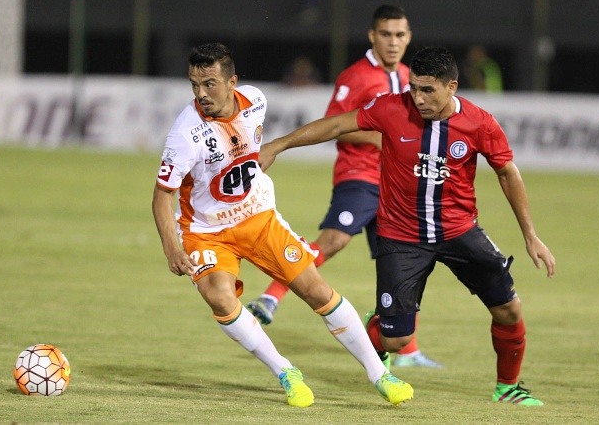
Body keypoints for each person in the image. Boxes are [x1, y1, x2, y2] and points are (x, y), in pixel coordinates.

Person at [256, 46, 556, 406]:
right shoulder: (391, 108)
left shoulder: (480, 123)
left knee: (509, 309)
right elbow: (338, 124)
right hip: (402, 237)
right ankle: (379, 327)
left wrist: (531, 235)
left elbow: (507, 172)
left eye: (428, 89)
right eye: (414, 87)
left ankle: (508, 387)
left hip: (460, 232)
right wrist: (278, 144)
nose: (418, 97)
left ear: (452, 87)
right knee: (395, 340)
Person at [151, 42, 413, 408]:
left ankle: (379, 374)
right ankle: (285, 371)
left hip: (258, 217)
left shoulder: (256, 101)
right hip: (206, 232)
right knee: (220, 299)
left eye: (209, 83)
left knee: (317, 291)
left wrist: (276, 148)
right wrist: (172, 248)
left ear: (232, 82)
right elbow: (162, 194)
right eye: (194, 85)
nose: (201, 94)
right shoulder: (185, 134)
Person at [247, 4, 442, 369]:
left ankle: (408, 349)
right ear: (373, 36)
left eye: (400, 35)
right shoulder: (356, 76)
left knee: (401, 263)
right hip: (361, 175)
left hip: (397, 184)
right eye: (386, 34)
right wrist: (390, 140)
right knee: (334, 239)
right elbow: (337, 124)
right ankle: (273, 295)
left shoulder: (408, 76)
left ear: (409, 37)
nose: (393, 42)